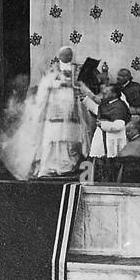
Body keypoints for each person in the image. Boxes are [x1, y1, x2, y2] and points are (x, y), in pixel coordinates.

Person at [29, 46, 86, 180]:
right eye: (65, 54)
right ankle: (49, 167)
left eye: (70, 54)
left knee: (69, 140)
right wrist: (58, 84)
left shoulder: (76, 69)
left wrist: (74, 85)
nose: (68, 57)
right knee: (52, 139)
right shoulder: (53, 69)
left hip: (71, 110)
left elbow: (82, 86)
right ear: (59, 56)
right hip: (55, 110)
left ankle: (67, 167)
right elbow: (44, 86)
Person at [117, 118, 140, 184]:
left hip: (135, 173)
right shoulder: (136, 141)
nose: (126, 134)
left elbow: (124, 154)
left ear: (135, 130)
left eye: (128, 131)